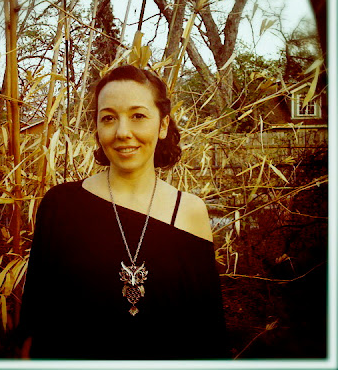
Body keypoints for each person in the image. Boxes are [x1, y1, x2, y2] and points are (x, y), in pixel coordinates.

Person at [16, 65, 229, 359]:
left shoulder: (189, 212)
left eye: (138, 116)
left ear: (163, 125)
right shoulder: (61, 205)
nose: (122, 132)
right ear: (97, 128)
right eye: (109, 118)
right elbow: (35, 322)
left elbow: (207, 331)